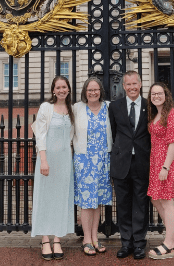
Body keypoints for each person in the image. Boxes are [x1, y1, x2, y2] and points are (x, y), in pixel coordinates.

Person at [31, 76, 76, 261]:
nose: (61, 90)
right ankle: (45, 239)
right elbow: (40, 135)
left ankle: (57, 238)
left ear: (68, 89)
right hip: (48, 159)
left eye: (64, 87)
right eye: (58, 87)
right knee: (45, 198)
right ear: (53, 90)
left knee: (61, 198)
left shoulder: (72, 109)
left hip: (65, 160)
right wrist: (43, 160)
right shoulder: (46, 108)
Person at [109, 71, 152, 260]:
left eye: (135, 84)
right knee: (124, 204)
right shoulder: (115, 106)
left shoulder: (149, 106)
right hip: (121, 162)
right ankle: (126, 243)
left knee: (141, 204)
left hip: (142, 161)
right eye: (128, 84)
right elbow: (113, 131)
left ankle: (140, 243)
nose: (132, 87)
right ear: (124, 86)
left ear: (140, 84)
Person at [72, 77, 113, 256]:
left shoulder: (109, 107)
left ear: (101, 91)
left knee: (97, 202)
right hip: (84, 160)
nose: (93, 93)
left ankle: (95, 237)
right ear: (85, 92)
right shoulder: (77, 108)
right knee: (86, 202)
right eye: (90, 90)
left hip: (103, 160)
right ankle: (86, 239)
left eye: (96, 90)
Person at [146, 82, 174, 260]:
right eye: (153, 94)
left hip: (165, 163)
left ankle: (169, 244)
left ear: (166, 95)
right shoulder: (155, 114)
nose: (156, 96)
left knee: (167, 202)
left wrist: (165, 167)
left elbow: (173, 143)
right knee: (155, 199)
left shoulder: (172, 115)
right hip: (155, 162)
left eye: (159, 93)